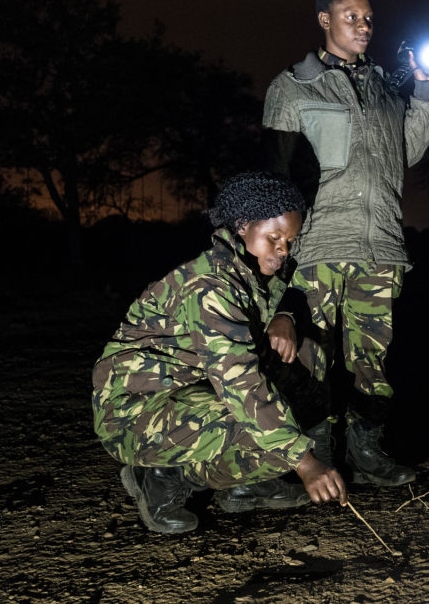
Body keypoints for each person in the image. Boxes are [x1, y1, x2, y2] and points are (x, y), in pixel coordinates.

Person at [91, 171, 348, 535]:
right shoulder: (210, 285)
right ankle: (164, 476)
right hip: (133, 412)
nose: (284, 250)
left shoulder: (249, 274)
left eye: (290, 241)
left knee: (305, 368)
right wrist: (305, 463)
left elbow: (295, 291)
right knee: (273, 430)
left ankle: (249, 485)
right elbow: (240, 384)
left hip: (190, 393)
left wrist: (286, 315)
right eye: (274, 238)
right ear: (242, 226)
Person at [261, 0, 429, 486]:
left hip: (379, 246)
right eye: (351, 17)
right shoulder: (294, 87)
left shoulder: (384, 87)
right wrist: (277, 248)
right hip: (318, 245)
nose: (363, 26)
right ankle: (314, 455)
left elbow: (407, 153)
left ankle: (368, 452)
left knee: (372, 358)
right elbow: (275, 173)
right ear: (325, 19)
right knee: (310, 355)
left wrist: (427, 87)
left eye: (368, 19)